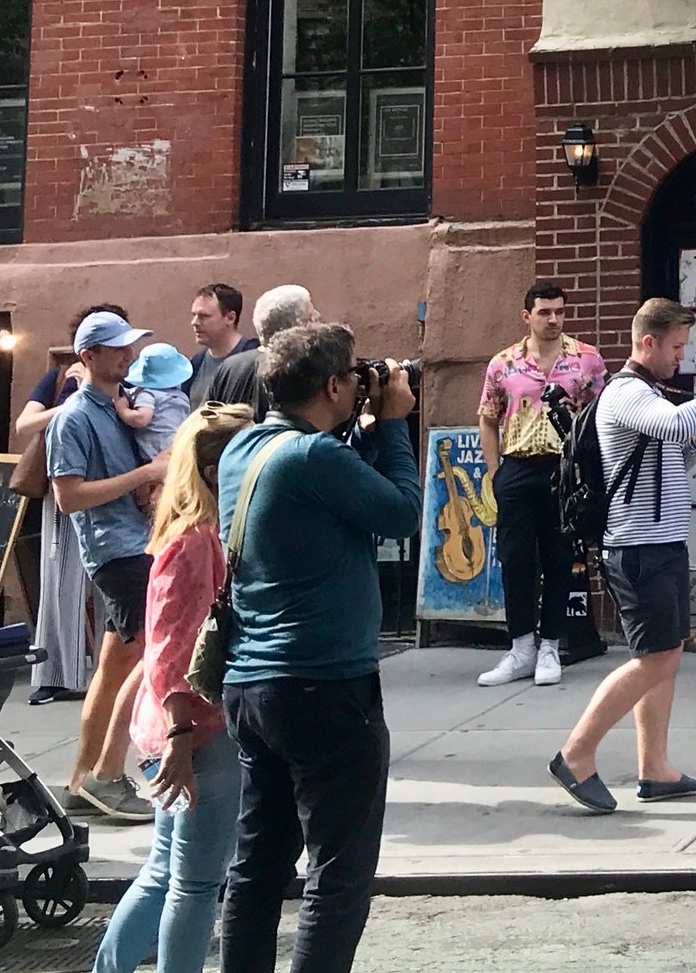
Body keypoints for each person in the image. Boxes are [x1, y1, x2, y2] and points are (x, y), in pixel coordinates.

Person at [216, 322, 420, 973]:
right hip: (325, 686)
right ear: (334, 384)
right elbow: (399, 512)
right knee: (338, 876)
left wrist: (362, 420)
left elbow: (331, 487)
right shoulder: (312, 457)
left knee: (256, 867)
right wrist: (391, 422)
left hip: (253, 686)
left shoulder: (243, 449)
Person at [551, 299, 696, 813]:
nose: (681, 359)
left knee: (665, 656)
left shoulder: (650, 397)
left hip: (659, 544)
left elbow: (674, 449)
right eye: (678, 348)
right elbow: (679, 426)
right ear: (647, 343)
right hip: (637, 549)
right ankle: (576, 754)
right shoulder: (626, 393)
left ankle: (655, 769)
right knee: (655, 658)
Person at [93, 403, 255, 973]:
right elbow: (167, 656)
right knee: (193, 883)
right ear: (217, 470)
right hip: (196, 732)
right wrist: (183, 737)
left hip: (187, 729)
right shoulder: (194, 542)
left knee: (168, 872)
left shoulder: (196, 534)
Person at [48, 308, 171, 823]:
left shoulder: (112, 407)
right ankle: (107, 773)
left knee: (116, 664)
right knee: (154, 653)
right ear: (87, 356)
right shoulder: (74, 417)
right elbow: (68, 497)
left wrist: (144, 484)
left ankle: (82, 780)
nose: (127, 354)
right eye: (116, 347)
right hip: (117, 552)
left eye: (129, 346)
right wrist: (145, 473)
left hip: (130, 545)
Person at [476, 280, 607, 689]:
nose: (554, 319)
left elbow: (601, 417)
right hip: (516, 466)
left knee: (558, 557)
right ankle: (520, 647)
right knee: (515, 559)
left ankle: (550, 643)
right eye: (545, 312)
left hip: (563, 468)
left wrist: (590, 470)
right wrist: (495, 470)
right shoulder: (504, 363)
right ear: (527, 316)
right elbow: (487, 415)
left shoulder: (586, 359)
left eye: (559, 312)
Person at [16, 346, 95, 706]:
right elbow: (24, 424)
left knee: (122, 585)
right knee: (59, 577)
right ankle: (54, 675)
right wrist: (72, 403)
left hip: (114, 484)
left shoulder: (129, 378)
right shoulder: (61, 377)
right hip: (63, 482)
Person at [199, 284, 315, 413]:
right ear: (296, 325)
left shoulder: (229, 367)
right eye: (310, 316)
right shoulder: (299, 369)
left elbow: (203, 422)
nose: (317, 317)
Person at [121, 343, 197, 463]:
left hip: (156, 453)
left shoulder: (147, 394)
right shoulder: (181, 396)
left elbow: (141, 419)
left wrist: (122, 409)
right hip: (179, 449)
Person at [188, 282, 257, 390]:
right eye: (194, 315)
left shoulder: (256, 359)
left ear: (230, 318)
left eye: (204, 316)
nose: (194, 322)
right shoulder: (196, 363)